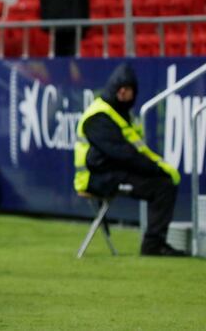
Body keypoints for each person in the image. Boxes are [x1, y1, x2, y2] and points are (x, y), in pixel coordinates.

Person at [74, 63, 185, 257]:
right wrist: (156, 169)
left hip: (110, 172)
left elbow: (135, 151)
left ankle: (154, 243)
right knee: (163, 186)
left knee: (163, 183)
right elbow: (123, 153)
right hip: (96, 178)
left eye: (129, 89)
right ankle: (153, 245)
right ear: (115, 89)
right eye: (122, 89)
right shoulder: (100, 115)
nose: (125, 93)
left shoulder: (122, 115)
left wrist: (159, 166)